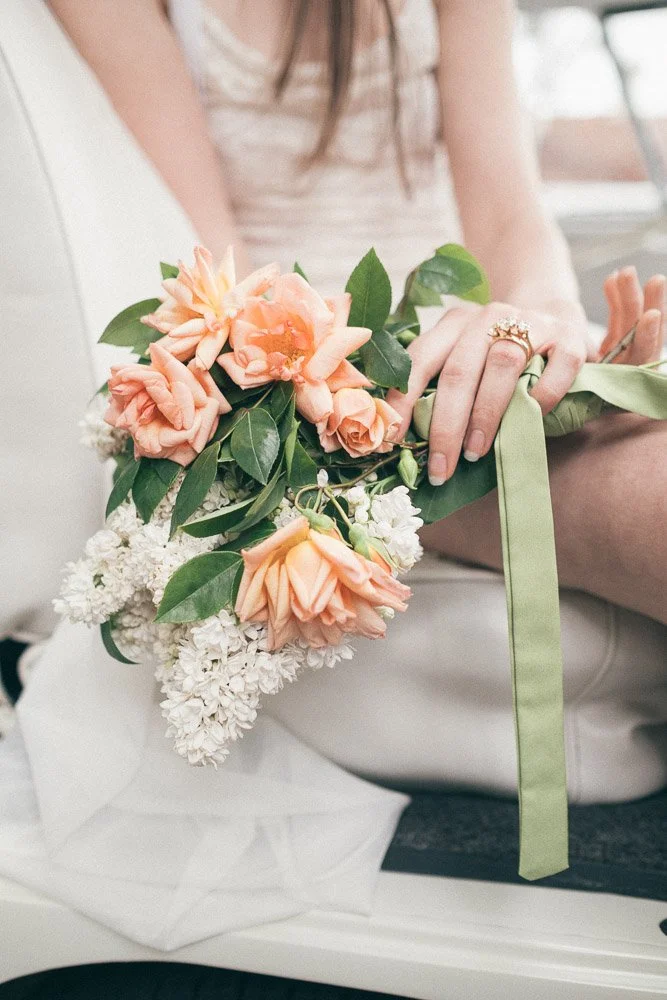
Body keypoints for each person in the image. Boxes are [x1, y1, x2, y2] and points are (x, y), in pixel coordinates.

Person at [47, 0, 666, 628]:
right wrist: (365, 405)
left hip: (465, 348)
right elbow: (213, 277)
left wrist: (543, 326)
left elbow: (511, 220)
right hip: (309, 402)